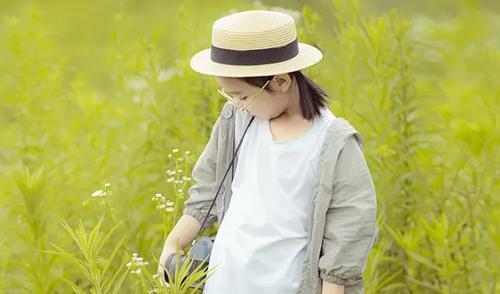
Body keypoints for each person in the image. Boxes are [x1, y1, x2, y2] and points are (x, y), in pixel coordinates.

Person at [157, 10, 378, 294]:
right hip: (224, 284)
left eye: (242, 96)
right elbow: (207, 192)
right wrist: (173, 243)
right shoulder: (235, 121)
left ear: (281, 81)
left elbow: (348, 232)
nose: (236, 104)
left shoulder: (333, 143)